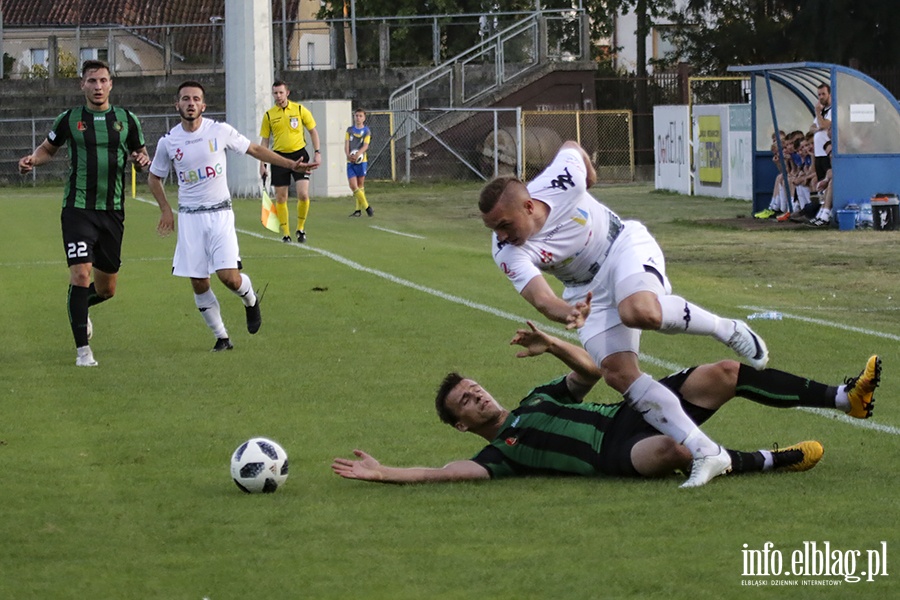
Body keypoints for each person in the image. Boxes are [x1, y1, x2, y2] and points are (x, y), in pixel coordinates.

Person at [478, 140, 770, 488]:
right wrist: (570, 312)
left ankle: (727, 328)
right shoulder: (506, 251)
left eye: (505, 225)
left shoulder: (562, 182)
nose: (501, 236)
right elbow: (542, 300)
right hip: (586, 292)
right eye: (493, 229)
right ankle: (706, 451)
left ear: (529, 206)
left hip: (623, 246)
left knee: (637, 311)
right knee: (617, 374)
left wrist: (590, 173)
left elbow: (572, 146)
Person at [332, 322, 881, 484]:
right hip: (617, 454)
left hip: (627, 411)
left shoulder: (534, 398)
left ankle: (843, 397)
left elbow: (593, 372)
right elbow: (439, 473)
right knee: (672, 449)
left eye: (474, 388)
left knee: (726, 372)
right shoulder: (500, 455)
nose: (477, 396)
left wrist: (553, 345)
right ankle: (768, 458)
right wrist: (383, 473)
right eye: (465, 403)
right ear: (461, 425)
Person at [147, 81, 313, 351]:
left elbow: (255, 150)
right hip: (190, 218)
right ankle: (222, 337)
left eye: (196, 99)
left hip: (220, 213)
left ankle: (250, 299)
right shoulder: (169, 141)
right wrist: (166, 209)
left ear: (204, 105)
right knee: (199, 281)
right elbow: (155, 178)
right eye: (185, 99)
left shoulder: (220, 131)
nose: (191, 103)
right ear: (176, 105)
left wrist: (291, 164)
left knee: (229, 277)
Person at [17, 59, 151, 367]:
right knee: (80, 274)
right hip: (78, 209)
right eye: (92, 81)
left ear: (111, 84)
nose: (98, 86)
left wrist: (141, 160)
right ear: (82, 85)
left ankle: (83, 307)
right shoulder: (69, 119)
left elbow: (140, 152)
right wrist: (32, 161)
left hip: (112, 212)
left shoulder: (127, 119)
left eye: (103, 80)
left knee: (107, 289)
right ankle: (83, 352)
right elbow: (47, 150)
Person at [258, 80, 321, 243]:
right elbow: (264, 141)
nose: (278, 96)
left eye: (281, 92)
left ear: (287, 92)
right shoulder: (269, 115)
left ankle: (300, 228)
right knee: (281, 197)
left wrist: (317, 152)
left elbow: (313, 131)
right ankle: (286, 233)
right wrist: (262, 163)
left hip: (300, 155)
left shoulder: (299, 110)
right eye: (275, 93)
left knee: (303, 194)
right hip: (278, 157)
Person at [345, 108, 374, 218]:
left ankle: (358, 210)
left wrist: (358, 154)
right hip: (350, 161)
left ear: (364, 118)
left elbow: (366, 145)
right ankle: (367, 207)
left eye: (360, 116)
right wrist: (348, 155)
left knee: (360, 185)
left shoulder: (366, 131)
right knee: (353, 186)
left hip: (362, 161)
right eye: (356, 115)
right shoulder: (349, 130)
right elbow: (346, 144)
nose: (358, 118)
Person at [809, 82, 833, 183]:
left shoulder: (832, 110)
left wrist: (818, 112)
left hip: (826, 152)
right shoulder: (822, 111)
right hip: (818, 153)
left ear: (829, 94)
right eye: (819, 95)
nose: (821, 97)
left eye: (823, 94)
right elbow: (812, 128)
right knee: (820, 182)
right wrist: (818, 128)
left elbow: (823, 125)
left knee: (826, 181)